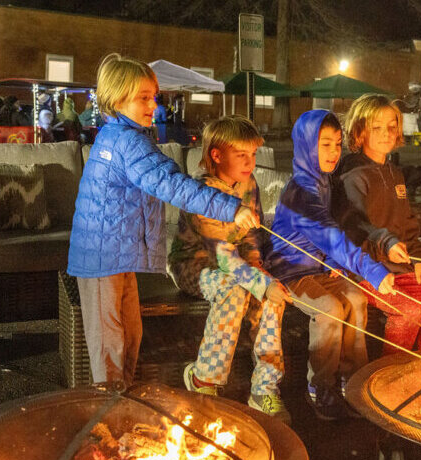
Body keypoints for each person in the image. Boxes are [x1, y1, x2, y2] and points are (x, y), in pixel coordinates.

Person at [66, 53, 259, 385]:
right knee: (110, 340)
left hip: (114, 254)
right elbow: (171, 184)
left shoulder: (125, 137)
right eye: (143, 97)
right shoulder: (126, 141)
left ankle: (121, 397)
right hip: (101, 256)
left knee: (128, 332)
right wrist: (230, 207)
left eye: (153, 96)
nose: (153, 105)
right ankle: (108, 406)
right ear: (115, 99)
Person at [264, 109, 395, 420]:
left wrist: (340, 264)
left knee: (356, 299)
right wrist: (372, 270)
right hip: (291, 269)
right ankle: (320, 386)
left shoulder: (324, 182)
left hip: (321, 267)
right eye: (325, 144)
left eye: (337, 144)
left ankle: (354, 380)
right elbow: (329, 236)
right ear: (307, 145)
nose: (334, 152)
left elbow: (337, 234)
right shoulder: (301, 191)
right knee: (330, 308)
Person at [169, 115, 293, 422]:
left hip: (234, 264)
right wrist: (255, 281)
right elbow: (222, 255)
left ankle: (264, 388)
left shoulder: (248, 184)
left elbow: (252, 237)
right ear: (216, 155)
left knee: (269, 295)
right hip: (194, 264)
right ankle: (204, 380)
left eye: (252, 154)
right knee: (236, 289)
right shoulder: (203, 193)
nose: (250, 162)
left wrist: (260, 274)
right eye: (242, 155)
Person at [334, 94, 421, 353]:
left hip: (400, 268)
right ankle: (390, 372)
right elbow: (353, 226)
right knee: (409, 310)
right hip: (365, 273)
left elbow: (407, 225)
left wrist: (420, 259)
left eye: (392, 126)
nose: (386, 133)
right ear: (359, 132)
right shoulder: (352, 177)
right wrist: (384, 246)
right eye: (376, 127)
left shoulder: (395, 173)